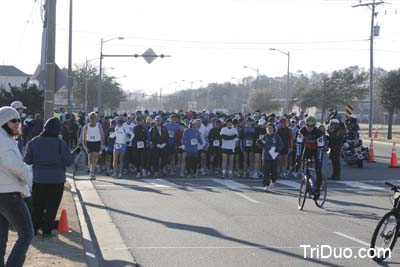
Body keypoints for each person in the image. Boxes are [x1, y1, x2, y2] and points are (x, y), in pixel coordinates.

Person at [24, 117, 75, 237]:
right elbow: (67, 161)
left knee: (38, 205)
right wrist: (73, 154)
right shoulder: (60, 143)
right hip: (56, 179)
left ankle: (34, 228)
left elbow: (27, 160)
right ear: (58, 130)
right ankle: (47, 230)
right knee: (52, 205)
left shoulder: (34, 141)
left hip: (39, 178)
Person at [0, 106, 33, 267]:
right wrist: (28, 174)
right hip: (8, 193)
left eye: (19, 120)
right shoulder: (4, 140)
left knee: (1, 238)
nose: (17, 123)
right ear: (4, 121)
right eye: (13, 120)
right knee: (26, 234)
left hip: (4, 190)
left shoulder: (5, 138)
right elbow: (12, 164)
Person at [296, 116, 325, 200]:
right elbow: (298, 144)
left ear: (314, 126)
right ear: (305, 125)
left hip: (317, 149)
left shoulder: (318, 132)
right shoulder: (302, 131)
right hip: (308, 148)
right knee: (304, 165)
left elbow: (321, 148)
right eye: (308, 126)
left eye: (311, 127)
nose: (309, 128)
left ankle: (317, 190)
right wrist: (297, 158)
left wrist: (319, 160)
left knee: (318, 169)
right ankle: (307, 183)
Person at [259, 122, 283, 192]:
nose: (269, 129)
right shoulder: (264, 137)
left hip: (274, 157)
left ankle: (273, 181)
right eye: (268, 128)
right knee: (265, 171)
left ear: (273, 129)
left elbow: (281, 145)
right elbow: (261, 146)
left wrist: (278, 149)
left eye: (271, 128)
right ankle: (266, 185)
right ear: (266, 129)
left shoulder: (277, 136)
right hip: (266, 156)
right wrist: (259, 144)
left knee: (274, 171)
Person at [82, 112, 105, 180]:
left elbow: (102, 135)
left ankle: (92, 172)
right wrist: (84, 146)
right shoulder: (86, 127)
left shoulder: (99, 126)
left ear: (96, 118)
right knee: (90, 158)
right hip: (89, 143)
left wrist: (102, 145)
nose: (92, 119)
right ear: (89, 118)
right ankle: (91, 171)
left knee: (94, 157)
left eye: (94, 117)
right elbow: (83, 138)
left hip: (97, 142)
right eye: (91, 117)